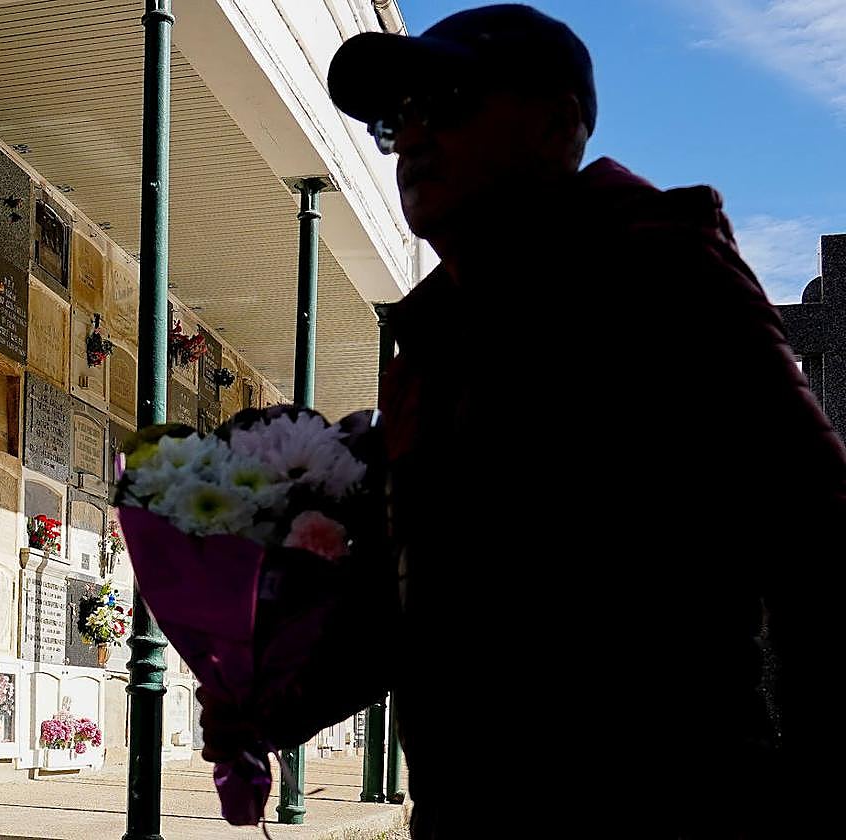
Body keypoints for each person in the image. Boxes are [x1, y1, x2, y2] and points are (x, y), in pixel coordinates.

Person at [199, 4, 846, 838]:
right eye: (397, 120)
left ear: (556, 126)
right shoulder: (426, 357)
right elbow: (410, 605)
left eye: (450, 100)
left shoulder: (663, 275)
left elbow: (819, 539)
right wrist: (270, 703)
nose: (416, 134)